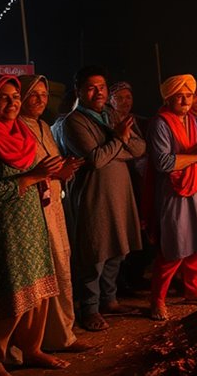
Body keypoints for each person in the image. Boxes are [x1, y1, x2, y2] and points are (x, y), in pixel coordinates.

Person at [0, 74, 71, 375]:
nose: (12, 103)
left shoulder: (21, 132)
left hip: (31, 222)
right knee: (7, 295)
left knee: (37, 292)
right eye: (3, 98)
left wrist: (50, 173)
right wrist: (34, 176)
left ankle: (32, 349)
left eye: (15, 97)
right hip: (0, 229)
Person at [61, 66, 145, 332]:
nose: (98, 92)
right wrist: (119, 139)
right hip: (94, 195)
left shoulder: (111, 114)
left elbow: (140, 148)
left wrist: (114, 144)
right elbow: (95, 161)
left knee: (118, 250)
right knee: (95, 252)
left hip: (119, 191)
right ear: (79, 91)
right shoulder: (74, 122)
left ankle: (110, 300)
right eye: (91, 87)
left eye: (102, 87)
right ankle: (89, 309)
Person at [17, 75, 88, 353]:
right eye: (33, 94)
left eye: (44, 95)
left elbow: (50, 164)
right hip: (33, 209)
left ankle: (63, 334)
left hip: (54, 205)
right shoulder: (15, 129)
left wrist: (64, 170)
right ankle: (39, 340)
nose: (40, 100)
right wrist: (52, 172)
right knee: (43, 271)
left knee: (61, 264)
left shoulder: (44, 126)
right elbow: (28, 172)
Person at [146, 75, 197, 321]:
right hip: (173, 192)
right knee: (174, 246)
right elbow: (164, 163)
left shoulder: (196, 122)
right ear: (168, 98)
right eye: (179, 95)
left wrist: (188, 158)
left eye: (188, 95)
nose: (185, 100)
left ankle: (193, 290)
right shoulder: (160, 124)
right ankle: (157, 299)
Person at [105, 80, 151, 296]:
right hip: (120, 182)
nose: (125, 102)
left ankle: (135, 276)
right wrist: (129, 149)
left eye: (128, 97)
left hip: (140, 182)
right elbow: (118, 152)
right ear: (110, 100)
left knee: (142, 230)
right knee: (122, 232)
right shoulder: (108, 121)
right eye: (120, 98)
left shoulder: (138, 121)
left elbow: (142, 148)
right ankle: (119, 283)